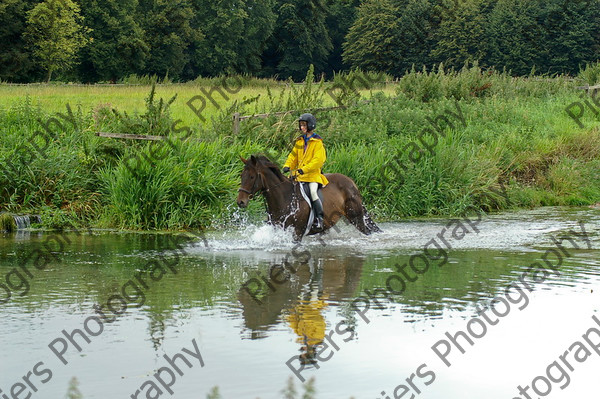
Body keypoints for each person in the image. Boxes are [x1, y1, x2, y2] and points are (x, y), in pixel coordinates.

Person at [282, 113, 329, 231]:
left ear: (310, 125)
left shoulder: (318, 143)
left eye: (304, 125)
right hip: (299, 176)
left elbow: (318, 161)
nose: (302, 127)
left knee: (313, 193)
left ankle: (319, 219)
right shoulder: (299, 142)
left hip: (312, 176)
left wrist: (304, 169)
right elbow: (293, 156)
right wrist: (287, 165)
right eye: (301, 125)